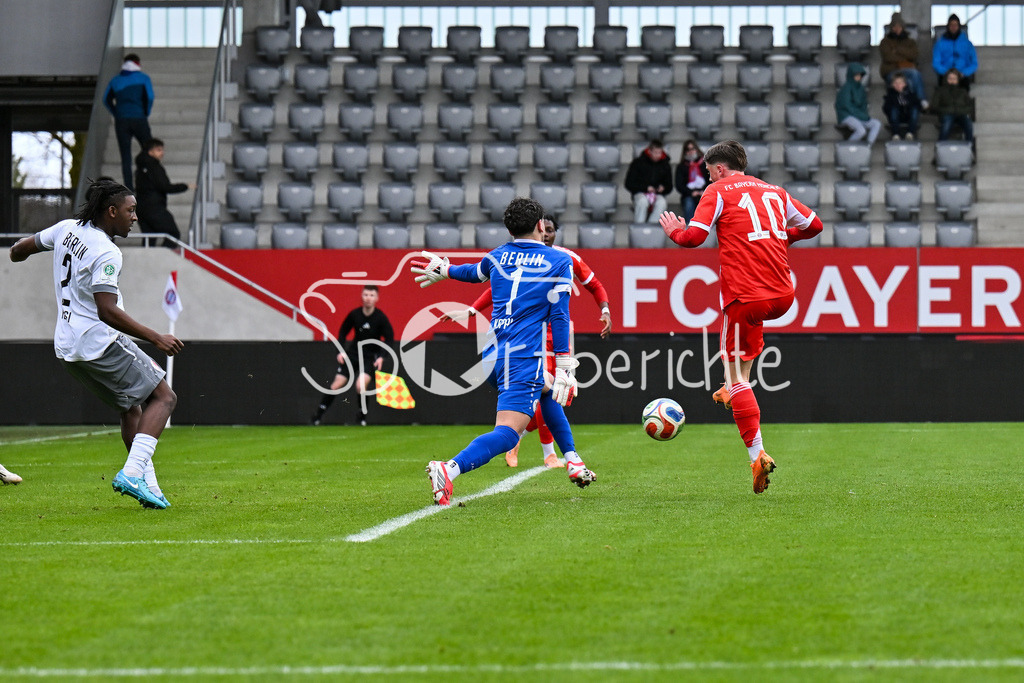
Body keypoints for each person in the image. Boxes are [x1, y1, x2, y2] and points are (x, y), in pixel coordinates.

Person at [658, 140, 823, 494]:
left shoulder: (718, 191)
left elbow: (694, 237)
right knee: (740, 367)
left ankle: (757, 455)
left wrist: (673, 230)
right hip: (782, 294)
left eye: (707, 172)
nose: (707, 178)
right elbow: (814, 225)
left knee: (735, 375)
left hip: (745, 296)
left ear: (719, 169)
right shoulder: (774, 191)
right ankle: (735, 390)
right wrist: (782, 238)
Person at [9, 178, 183, 509]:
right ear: (111, 211)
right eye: (131, 211)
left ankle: (151, 488)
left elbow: (21, 248)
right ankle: (132, 474)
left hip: (67, 348)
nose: (135, 217)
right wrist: (156, 337)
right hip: (98, 342)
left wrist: (18, 254)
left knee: (130, 407)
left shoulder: (65, 229)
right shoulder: (106, 251)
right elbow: (107, 311)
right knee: (164, 397)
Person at [410, 197, 597, 505]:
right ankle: (448, 468)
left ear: (510, 229)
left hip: (493, 355)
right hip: (523, 358)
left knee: (547, 392)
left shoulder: (498, 255)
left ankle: (573, 459)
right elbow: (560, 315)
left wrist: (445, 269)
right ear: (540, 226)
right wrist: (565, 365)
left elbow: (473, 273)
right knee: (509, 433)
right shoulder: (558, 261)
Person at [446, 213, 612, 469]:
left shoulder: (554, 256)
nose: (546, 233)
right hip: (528, 346)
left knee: (548, 391)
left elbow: (595, 284)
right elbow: (553, 310)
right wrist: (471, 309)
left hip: (513, 345)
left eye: (550, 230)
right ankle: (502, 447)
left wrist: (605, 309)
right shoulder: (549, 260)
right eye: (543, 228)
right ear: (537, 227)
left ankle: (566, 458)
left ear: (555, 232)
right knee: (527, 409)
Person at [311, 285, 394, 426]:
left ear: (377, 298)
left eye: (372, 295)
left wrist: (381, 357)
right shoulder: (355, 314)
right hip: (353, 354)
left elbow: (390, 338)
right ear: (361, 296)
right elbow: (343, 332)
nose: (368, 298)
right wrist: (340, 352)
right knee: (337, 384)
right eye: (366, 295)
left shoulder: (380, 318)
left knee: (360, 385)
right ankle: (318, 416)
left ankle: (361, 418)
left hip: (370, 357)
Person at [103, 54, 154, 190]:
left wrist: (116, 113)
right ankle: (148, 180)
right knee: (149, 150)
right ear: (137, 63)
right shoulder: (143, 78)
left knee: (126, 156)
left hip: (122, 121)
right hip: (139, 118)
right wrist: (146, 112)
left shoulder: (115, 81)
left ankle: (129, 188)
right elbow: (150, 97)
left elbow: (106, 100)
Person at [134, 138, 196, 248]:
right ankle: (161, 260)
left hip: (141, 207)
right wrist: (185, 186)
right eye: (159, 150)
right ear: (150, 152)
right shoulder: (154, 166)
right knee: (172, 234)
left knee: (149, 240)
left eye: (162, 150)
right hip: (154, 207)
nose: (162, 153)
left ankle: (148, 264)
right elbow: (165, 186)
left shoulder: (141, 167)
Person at [878, 13, 928, 108]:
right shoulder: (885, 42)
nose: (897, 29)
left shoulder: (911, 42)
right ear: (891, 28)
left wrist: (897, 50)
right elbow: (888, 57)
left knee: (913, 77)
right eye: (895, 27)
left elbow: (914, 55)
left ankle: (920, 102)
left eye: (899, 26)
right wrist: (905, 57)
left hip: (908, 70)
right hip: (892, 71)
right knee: (911, 76)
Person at [624, 140, 673, 224]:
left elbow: (669, 185)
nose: (658, 155)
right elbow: (628, 183)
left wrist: (663, 188)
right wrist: (646, 188)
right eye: (655, 152)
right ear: (649, 151)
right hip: (640, 192)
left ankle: (652, 227)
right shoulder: (638, 163)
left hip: (657, 194)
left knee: (662, 203)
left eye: (659, 152)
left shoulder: (665, 164)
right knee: (642, 202)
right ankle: (639, 227)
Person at [835, 63, 882, 144]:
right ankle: (848, 146)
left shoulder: (861, 88)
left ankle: (868, 145)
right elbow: (846, 106)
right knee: (861, 131)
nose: (859, 77)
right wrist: (862, 116)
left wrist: (864, 115)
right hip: (846, 115)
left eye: (860, 75)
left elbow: (864, 104)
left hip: (859, 116)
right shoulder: (845, 88)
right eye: (856, 75)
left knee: (876, 123)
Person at [933, 14, 978, 89]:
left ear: (959, 26)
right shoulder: (940, 43)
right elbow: (936, 63)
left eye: (955, 25)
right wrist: (947, 72)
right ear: (948, 26)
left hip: (962, 74)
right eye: (951, 25)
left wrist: (963, 73)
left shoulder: (968, 44)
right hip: (945, 74)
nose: (953, 27)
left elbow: (974, 63)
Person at [932, 69, 975, 145]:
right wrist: (948, 110)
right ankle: (939, 147)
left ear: (958, 80)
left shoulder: (963, 91)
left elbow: (970, 106)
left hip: (961, 114)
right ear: (946, 79)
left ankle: (969, 147)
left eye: (954, 79)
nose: (952, 81)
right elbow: (934, 106)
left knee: (969, 124)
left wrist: (960, 110)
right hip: (946, 114)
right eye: (950, 78)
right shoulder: (940, 91)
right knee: (947, 125)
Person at [674, 140, 710, 223]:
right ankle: (690, 229)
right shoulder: (681, 166)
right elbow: (679, 185)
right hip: (688, 194)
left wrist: (703, 191)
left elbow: (711, 180)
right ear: (685, 152)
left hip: (705, 193)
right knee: (689, 204)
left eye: (692, 149)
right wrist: (691, 192)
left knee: (708, 203)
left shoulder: (705, 164)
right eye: (688, 150)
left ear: (696, 149)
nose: (691, 152)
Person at [883, 73, 922, 140]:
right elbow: (885, 108)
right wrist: (897, 104)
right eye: (895, 83)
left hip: (908, 116)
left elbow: (918, 105)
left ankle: (910, 133)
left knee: (915, 109)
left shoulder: (911, 94)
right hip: (896, 117)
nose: (898, 85)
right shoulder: (890, 95)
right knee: (894, 109)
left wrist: (907, 105)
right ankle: (896, 134)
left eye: (900, 83)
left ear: (905, 84)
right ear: (892, 85)